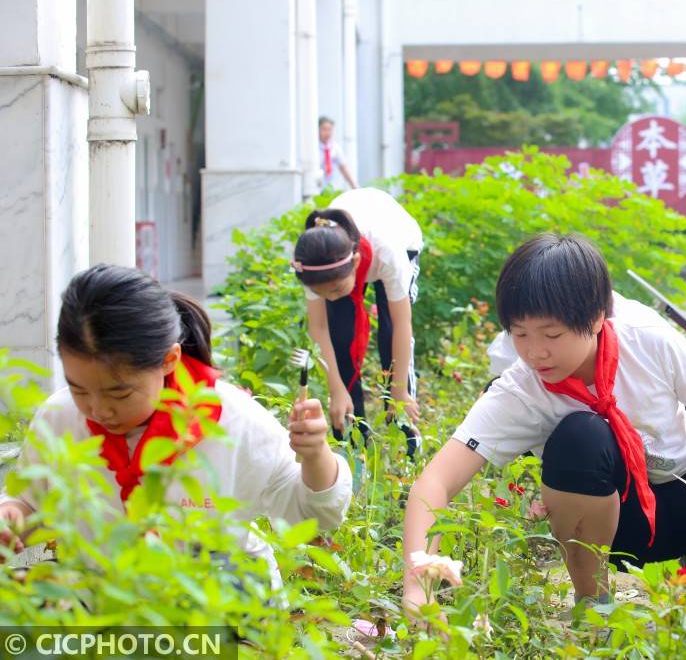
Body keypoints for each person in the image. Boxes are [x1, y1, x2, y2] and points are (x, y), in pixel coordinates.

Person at [401, 234, 686, 611]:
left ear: (597, 319)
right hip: (612, 519)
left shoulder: (646, 338)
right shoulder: (521, 389)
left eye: (552, 335)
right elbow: (434, 484)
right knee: (581, 436)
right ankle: (593, 604)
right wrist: (416, 584)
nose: (535, 352)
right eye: (520, 334)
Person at [0, 265, 352, 588]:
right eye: (78, 388)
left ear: (169, 361)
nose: (97, 409)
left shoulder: (231, 421)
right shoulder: (60, 416)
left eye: (118, 392)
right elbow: (29, 508)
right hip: (96, 588)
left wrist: (316, 454)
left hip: (212, 597)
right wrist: (12, 516)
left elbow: (312, 515)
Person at [292, 188, 423, 456]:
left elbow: (402, 324)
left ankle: (407, 437)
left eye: (336, 290)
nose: (327, 297)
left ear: (355, 262)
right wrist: (336, 388)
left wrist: (398, 391)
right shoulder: (314, 263)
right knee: (342, 337)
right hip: (342, 259)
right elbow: (319, 328)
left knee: (389, 334)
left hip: (401, 240)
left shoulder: (389, 252)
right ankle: (354, 440)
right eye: (320, 293)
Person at [319, 116, 359, 190]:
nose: (327, 133)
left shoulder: (335, 147)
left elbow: (343, 168)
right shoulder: (313, 147)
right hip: (316, 186)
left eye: (329, 130)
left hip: (330, 186)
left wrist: (354, 186)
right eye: (324, 129)